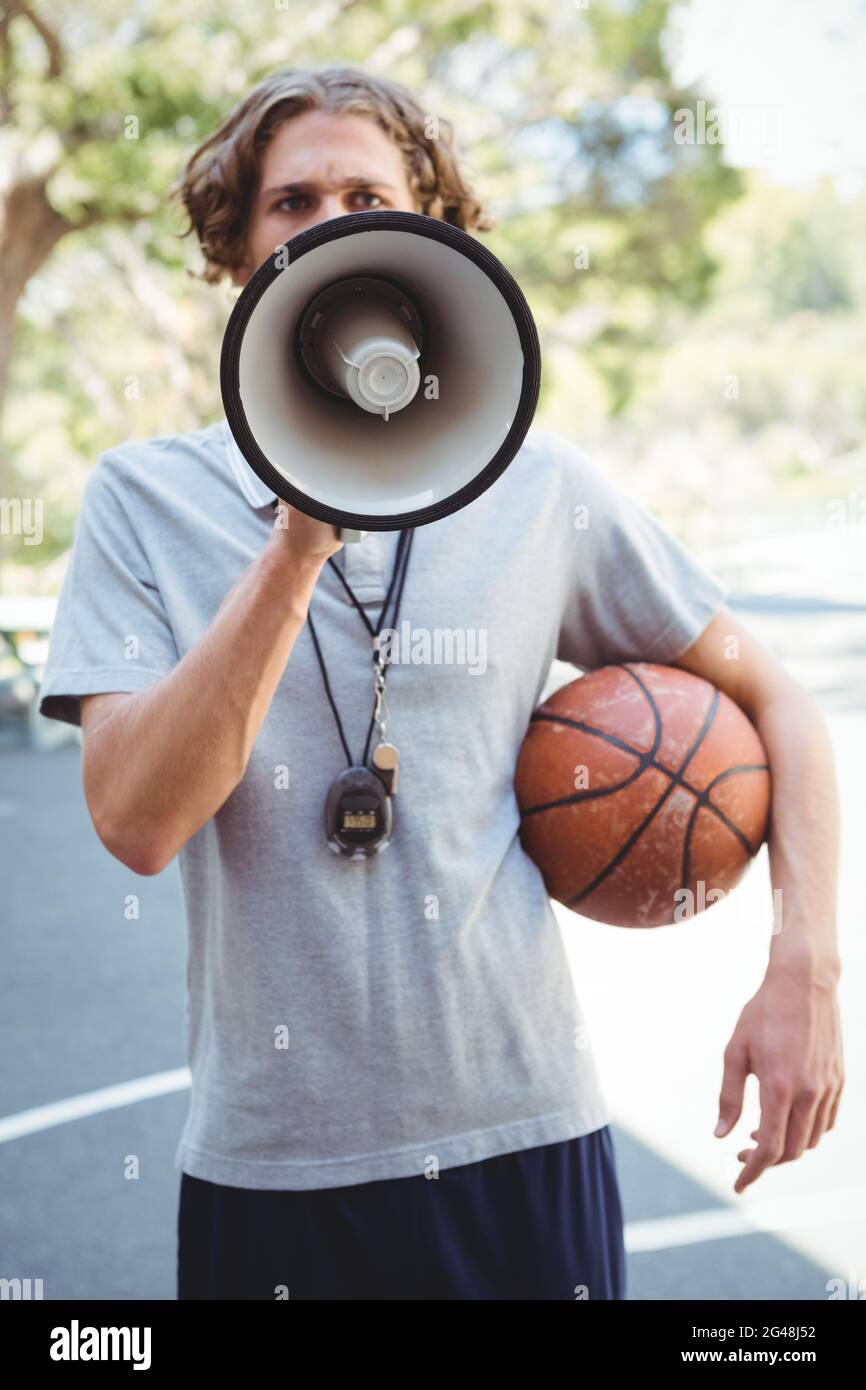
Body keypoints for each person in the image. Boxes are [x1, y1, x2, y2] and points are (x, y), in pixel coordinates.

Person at [38, 65, 843, 1301]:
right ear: (236, 250)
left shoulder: (532, 485)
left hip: (522, 1139)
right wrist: (299, 539)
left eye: (367, 192)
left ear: (431, 229)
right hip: (275, 1171)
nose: (332, 224)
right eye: (291, 203)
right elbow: (138, 823)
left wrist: (804, 973)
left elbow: (777, 702)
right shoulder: (143, 500)